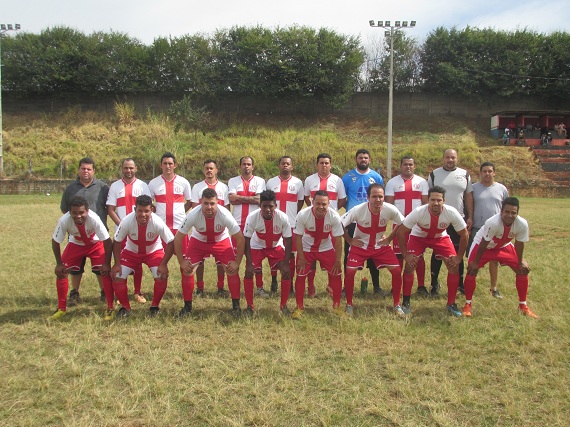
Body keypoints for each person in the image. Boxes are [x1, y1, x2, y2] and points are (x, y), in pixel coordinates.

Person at [396, 186, 469, 317]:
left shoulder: (451, 212)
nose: (435, 203)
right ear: (427, 201)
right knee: (410, 266)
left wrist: (459, 257)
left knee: (454, 266)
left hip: (440, 237)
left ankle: (451, 303)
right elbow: (401, 232)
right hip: (419, 237)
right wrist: (406, 255)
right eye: (432, 200)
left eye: (439, 200)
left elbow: (464, 234)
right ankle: (406, 301)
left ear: (444, 201)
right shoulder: (419, 211)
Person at [462, 198, 538, 318]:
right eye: (507, 212)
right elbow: (484, 242)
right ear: (501, 211)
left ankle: (523, 306)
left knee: (522, 270)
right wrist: (476, 262)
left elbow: (519, 244)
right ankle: (467, 305)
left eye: (513, 212)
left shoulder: (522, 223)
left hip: (503, 246)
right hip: (484, 245)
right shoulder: (493, 222)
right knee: (472, 270)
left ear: (517, 213)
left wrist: (520, 261)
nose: (510, 215)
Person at [175, 188, 245, 317]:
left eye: (212, 203)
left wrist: (237, 262)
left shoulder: (225, 214)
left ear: (217, 202)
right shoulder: (192, 214)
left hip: (220, 240)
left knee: (232, 270)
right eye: (206, 203)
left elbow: (240, 239)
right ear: (201, 203)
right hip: (198, 241)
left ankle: (236, 306)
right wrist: (181, 261)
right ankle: (187, 307)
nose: (209, 207)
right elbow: (178, 238)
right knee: (187, 270)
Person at [341, 184, 405, 316]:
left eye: (380, 196)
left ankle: (397, 304)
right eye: (374, 196)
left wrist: (390, 238)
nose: (378, 199)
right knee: (350, 271)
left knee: (397, 270)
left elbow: (402, 222)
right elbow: (339, 224)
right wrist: (349, 240)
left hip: (380, 246)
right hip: (360, 246)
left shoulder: (390, 209)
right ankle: (349, 304)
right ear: (368, 197)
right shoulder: (358, 210)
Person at [51, 196, 114, 320]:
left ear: (87, 211)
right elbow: (55, 241)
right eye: (74, 213)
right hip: (76, 244)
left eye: (81, 213)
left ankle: (110, 307)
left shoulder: (94, 218)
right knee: (61, 272)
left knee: (105, 272)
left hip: (95, 244)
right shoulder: (64, 220)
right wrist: (59, 263)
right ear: (69, 212)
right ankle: (61, 308)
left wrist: (107, 263)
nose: (78, 216)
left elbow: (107, 241)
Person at [110, 195, 174, 318]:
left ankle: (155, 306)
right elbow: (117, 242)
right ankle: (125, 308)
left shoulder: (157, 222)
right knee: (117, 276)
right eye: (140, 210)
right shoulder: (127, 221)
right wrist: (117, 264)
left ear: (152, 210)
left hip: (153, 252)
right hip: (131, 253)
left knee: (161, 275)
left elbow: (171, 242)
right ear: (135, 209)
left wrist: (163, 264)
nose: (143, 214)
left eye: (146, 211)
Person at [148, 152, 194, 312]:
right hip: (161, 232)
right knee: (161, 266)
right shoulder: (153, 184)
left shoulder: (183, 182)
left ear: (175, 165)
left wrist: (181, 214)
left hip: (181, 230)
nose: (167, 166)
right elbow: (149, 206)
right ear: (160, 165)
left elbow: (191, 202)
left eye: (170, 163)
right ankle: (155, 304)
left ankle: (188, 303)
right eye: (164, 163)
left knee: (186, 267)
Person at [60, 157, 109, 305]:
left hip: (97, 235)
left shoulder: (103, 187)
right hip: (77, 235)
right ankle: (74, 292)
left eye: (89, 169)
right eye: (83, 168)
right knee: (76, 267)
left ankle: (104, 291)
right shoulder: (71, 189)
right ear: (78, 170)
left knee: (100, 267)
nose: (86, 171)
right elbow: (64, 209)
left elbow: (109, 207)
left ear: (94, 171)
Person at [292, 190, 344, 319]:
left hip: (325, 247)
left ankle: (336, 306)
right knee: (300, 275)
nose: (321, 207)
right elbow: (297, 237)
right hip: (306, 248)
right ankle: (299, 307)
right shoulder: (303, 214)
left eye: (324, 204)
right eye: (318, 203)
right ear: (312, 202)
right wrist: (301, 257)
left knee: (336, 273)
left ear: (329, 203)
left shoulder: (334, 216)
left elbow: (338, 239)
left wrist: (338, 259)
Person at [427, 149, 473, 296]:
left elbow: (468, 197)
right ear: (443, 158)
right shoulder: (434, 174)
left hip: (458, 219)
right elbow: (428, 198)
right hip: (439, 219)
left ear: (457, 158)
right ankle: (434, 285)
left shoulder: (465, 174)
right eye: (447, 157)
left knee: (458, 251)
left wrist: (470, 216)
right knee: (438, 252)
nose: (450, 160)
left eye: (453, 157)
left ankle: (460, 284)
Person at [341, 148, 387, 296]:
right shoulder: (347, 178)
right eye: (360, 157)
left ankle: (377, 286)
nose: (363, 160)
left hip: (374, 218)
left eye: (366, 158)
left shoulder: (376, 177)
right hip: (354, 220)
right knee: (349, 253)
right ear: (356, 159)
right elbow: (343, 198)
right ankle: (346, 286)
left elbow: (380, 198)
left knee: (373, 252)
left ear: (369, 160)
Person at [106, 158, 151, 304]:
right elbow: (111, 209)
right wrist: (122, 225)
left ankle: (137, 292)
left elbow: (149, 208)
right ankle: (121, 293)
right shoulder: (115, 186)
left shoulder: (143, 185)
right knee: (121, 262)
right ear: (122, 168)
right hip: (121, 231)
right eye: (125, 168)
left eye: (131, 168)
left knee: (137, 262)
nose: (128, 170)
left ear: (136, 168)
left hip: (138, 231)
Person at [385, 156, 429, 296]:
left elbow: (425, 204)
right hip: (400, 225)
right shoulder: (392, 182)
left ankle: (421, 286)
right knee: (398, 256)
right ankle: (396, 286)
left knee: (418, 256)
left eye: (410, 164)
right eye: (405, 164)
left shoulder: (422, 182)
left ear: (414, 166)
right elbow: (390, 205)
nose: (408, 167)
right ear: (400, 165)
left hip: (417, 225)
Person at [243, 190, 293, 315]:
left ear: (275, 205)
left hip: (275, 246)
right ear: (259, 206)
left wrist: (286, 263)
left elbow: (288, 240)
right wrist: (249, 263)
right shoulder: (252, 217)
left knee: (287, 272)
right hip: (257, 246)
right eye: (264, 206)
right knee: (248, 272)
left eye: (270, 206)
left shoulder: (282, 217)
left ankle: (283, 306)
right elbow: (246, 240)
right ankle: (250, 306)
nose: (267, 209)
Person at [303, 153, 346, 297]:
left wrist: (331, 212)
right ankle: (311, 286)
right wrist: (315, 212)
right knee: (312, 255)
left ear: (331, 165)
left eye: (327, 163)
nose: (324, 165)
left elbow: (342, 199)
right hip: (314, 223)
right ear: (317, 165)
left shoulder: (337, 180)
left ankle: (331, 285)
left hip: (330, 224)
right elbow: (306, 198)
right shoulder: (309, 180)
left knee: (331, 257)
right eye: (321, 163)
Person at [191, 159, 230, 297]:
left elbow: (226, 209)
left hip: (219, 232)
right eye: (206, 168)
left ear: (216, 170)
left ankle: (220, 287)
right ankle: (200, 288)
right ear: (203, 170)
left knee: (221, 262)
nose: (209, 170)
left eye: (211, 168)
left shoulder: (224, 188)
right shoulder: (197, 187)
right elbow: (194, 208)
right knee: (199, 261)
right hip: (200, 231)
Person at [228, 156, 267, 296]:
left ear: (253, 167)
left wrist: (240, 198)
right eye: (244, 164)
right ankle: (235, 286)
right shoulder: (233, 181)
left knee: (255, 257)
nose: (246, 166)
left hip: (254, 224)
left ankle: (259, 287)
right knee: (234, 256)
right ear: (240, 166)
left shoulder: (260, 181)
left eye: (249, 164)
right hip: (237, 225)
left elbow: (259, 200)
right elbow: (231, 199)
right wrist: (251, 199)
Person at [265, 156, 304, 294]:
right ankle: (274, 281)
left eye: (288, 164)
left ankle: (290, 284)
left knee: (291, 255)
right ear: (279, 166)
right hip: (274, 224)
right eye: (283, 164)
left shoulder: (298, 183)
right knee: (273, 253)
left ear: (292, 166)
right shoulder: (271, 182)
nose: (285, 166)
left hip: (291, 224)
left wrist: (292, 216)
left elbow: (300, 202)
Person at [470, 162, 509, 299]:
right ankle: (469, 287)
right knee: (474, 259)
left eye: (490, 171)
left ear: (494, 173)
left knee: (494, 259)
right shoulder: (473, 188)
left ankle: (494, 288)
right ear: (480, 173)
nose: (487, 174)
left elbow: (507, 209)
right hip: (478, 228)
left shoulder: (501, 189)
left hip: (496, 229)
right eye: (484, 171)